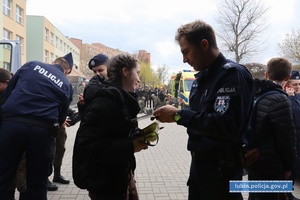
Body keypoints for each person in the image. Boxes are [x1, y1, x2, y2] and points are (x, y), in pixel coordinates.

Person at [152, 20, 254, 200]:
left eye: (186, 51)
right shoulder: (201, 79)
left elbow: (227, 125)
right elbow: (201, 119)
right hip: (200, 167)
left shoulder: (231, 74)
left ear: (204, 44)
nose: (184, 59)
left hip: (222, 172)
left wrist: (178, 115)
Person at [72, 54, 149, 200]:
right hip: (105, 184)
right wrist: (130, 145)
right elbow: (87, 145)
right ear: (125, 72)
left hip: (120, 176)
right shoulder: (106, 102)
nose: (139, 79)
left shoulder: (120, 99)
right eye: (137, 73)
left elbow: (113, 134)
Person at [0, 52, 74, 200]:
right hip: (41, 131)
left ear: (53, 62)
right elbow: (61, 116)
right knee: (37, 180)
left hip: (12, 124)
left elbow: (10, 90)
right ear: (66, 72)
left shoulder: (32, 64)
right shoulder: (66, 84)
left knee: (3, 174)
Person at [246, 58, 296, 200]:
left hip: (253, 159)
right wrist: (288, 166)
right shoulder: (280, 99)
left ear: (266, 74)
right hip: (272, 165)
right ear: (288, 77)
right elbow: (287, 138)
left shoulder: (254, 95)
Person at [283, 70, 300, 200]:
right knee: (291, 169)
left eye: (299, 84)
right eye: (295, 84)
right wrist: (292, 98)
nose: (298, 87)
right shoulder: (285, 98)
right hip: (291, 141)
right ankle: (286, 193)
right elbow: (296, 117)